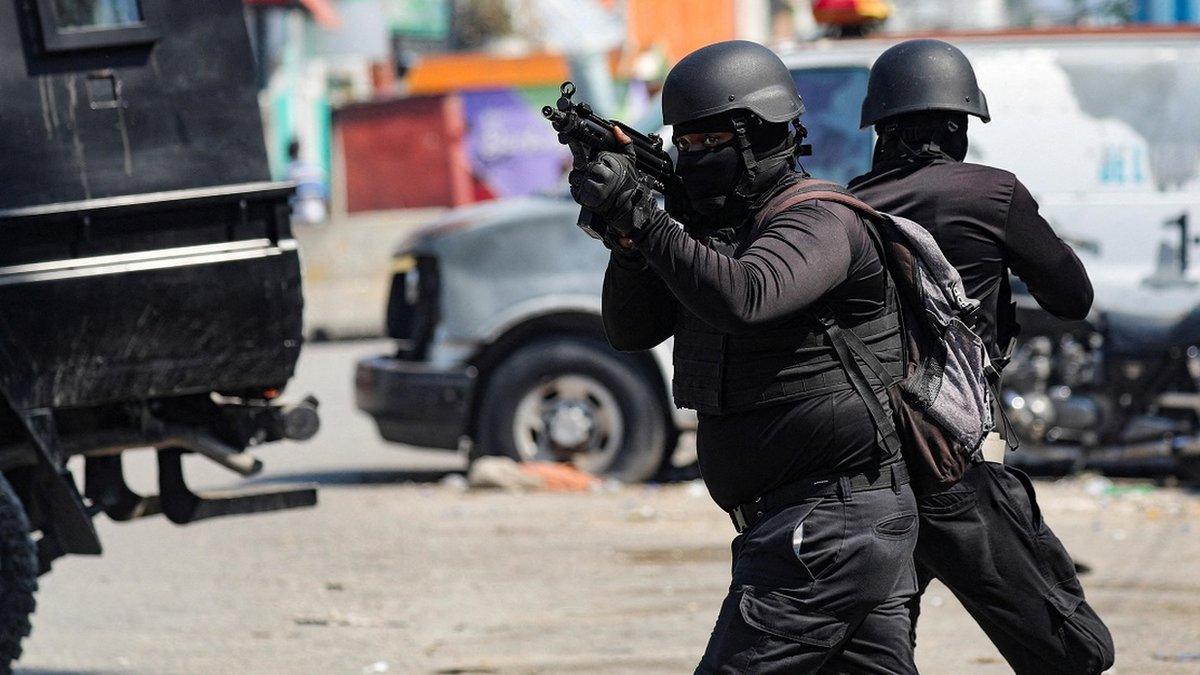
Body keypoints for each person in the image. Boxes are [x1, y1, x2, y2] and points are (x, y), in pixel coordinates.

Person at [569, 40, 919, 673]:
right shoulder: (705, 237)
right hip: (817, 526)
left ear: (762, 138)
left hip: (828, 527)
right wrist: (627, 240)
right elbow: (631, 330)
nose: (692, 159)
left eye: (709, 145)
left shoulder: (818, 222)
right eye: (684, 145)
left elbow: (748, 297)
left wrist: (649, 221)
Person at [848, 39, 1116, 674]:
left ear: (882, 128)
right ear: (955, 124)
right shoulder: (993, 193)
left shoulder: (852, 204)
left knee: (882, 632)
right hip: (959, 444)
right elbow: (1073, 296)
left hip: (867, 450)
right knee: (1071, 645)